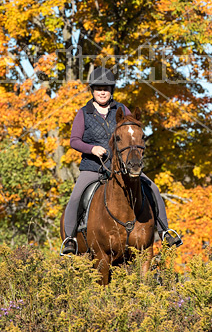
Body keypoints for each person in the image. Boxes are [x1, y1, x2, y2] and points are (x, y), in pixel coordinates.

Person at [60, 66, 182, 255]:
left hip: (123, 167)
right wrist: (92, 149)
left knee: (153, 189)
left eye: (106, 88)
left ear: (111, 91)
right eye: (99, 88)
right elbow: (74, 141)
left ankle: (165, 231)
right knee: (76, 197)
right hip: (93, 168)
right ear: (92, 90)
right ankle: (70, 239)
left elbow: (132, 133)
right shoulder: (83, 113)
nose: (102, 92)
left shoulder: (121, 109)